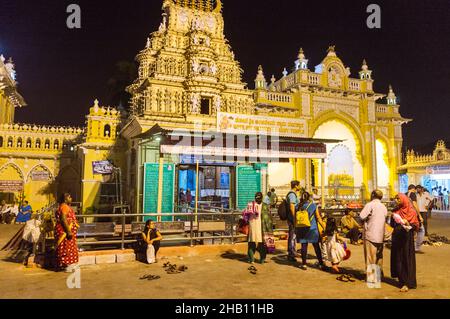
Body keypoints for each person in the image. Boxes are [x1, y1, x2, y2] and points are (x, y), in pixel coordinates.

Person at [391, 193, 420, 292]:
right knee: (398, 258)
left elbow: (416, 226)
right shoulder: (396, 210)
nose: (396, 201)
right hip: (397, 237)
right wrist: (393, 217)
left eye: (398, 199)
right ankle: (401, 280)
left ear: (403, 200)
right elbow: (392, 224)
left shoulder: (411, 211)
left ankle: (407, 282)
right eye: (396, 199)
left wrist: (408, 223)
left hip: (407, 239)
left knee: (406, 259)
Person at [359, 190, 388, 278]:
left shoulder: (370, 205)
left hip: (371, 234)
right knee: (379, 255)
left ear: (373, 195)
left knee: (370, 257)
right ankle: (379, 275)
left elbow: (361, 216)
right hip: (380, 234)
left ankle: (372, 277)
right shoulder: (383, 206)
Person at [296, 192, 325, 270]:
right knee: (316, 246)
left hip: (302, 229)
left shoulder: (298, 206)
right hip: (312, 229)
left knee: (304, 246)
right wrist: (323, 226)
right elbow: (318, 218)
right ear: (309, 198)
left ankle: (304, 264)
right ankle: (321, 263)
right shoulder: (313, 205)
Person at [244, 192, 273, 264]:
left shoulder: (251, 204)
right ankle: (256, 259)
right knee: (256, 243)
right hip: (258, 227)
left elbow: (245, 216)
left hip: (259, 227)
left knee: (256, 243)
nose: (258, 200)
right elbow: (270, 217)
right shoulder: (263, 205)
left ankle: (254, 259)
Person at [55, 193, 80, 272]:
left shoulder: (63, 206)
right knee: (67, 248)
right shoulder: (64, 207)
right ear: (65, 199)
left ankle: (68, 265)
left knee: (67, 247)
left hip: (65, 231)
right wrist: (68, 231)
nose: (71, 198)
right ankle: (68, 266)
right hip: (65, 232)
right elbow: (63, 218)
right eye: (69, 197)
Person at [286, 181, 301, 262]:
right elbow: (292, 207)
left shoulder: (293, 194)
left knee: (293, 235)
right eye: (299, 185)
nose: (300, 186)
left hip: (292, 217)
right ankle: (291, 253)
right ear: (296, 186)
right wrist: (295, 218)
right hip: (292, 218)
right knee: (292, 235)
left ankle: (292, 252)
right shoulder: (292, 194)